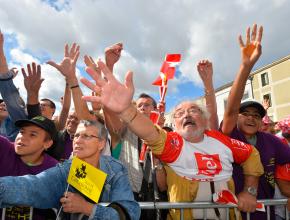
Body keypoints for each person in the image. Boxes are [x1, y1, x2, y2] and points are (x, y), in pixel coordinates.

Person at [80, 58, 264, 220]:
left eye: (193, 110)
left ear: (205, 118)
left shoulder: (221, 141)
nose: (186, 115)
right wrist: (125, 110)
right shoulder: (172, 143)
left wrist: (249, 191)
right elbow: (150, 133)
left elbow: (251, 155)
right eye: (180, 113)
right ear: (174, 123)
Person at [0, 120, 140, 220]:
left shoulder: (115, 170)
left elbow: (129, 213)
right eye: (76, 136)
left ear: (101, 144)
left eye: (86, 136)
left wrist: (87, 208)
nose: (78, 141)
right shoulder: (65, 169)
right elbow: (34, 185)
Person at [221, 24, 290, 219]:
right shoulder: (229, 134)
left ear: (261, 122)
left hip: (264, 214)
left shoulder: (273, 142)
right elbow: (231, 108)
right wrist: (246, 66)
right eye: (246, 113)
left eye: (257, 115)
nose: (251, 117)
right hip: (232, 214)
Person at [0, 115, 58, 219]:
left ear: (47, 144)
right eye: (22, 132)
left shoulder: (55, 170)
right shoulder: (3, 147)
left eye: (32, 135)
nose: (22, 137)